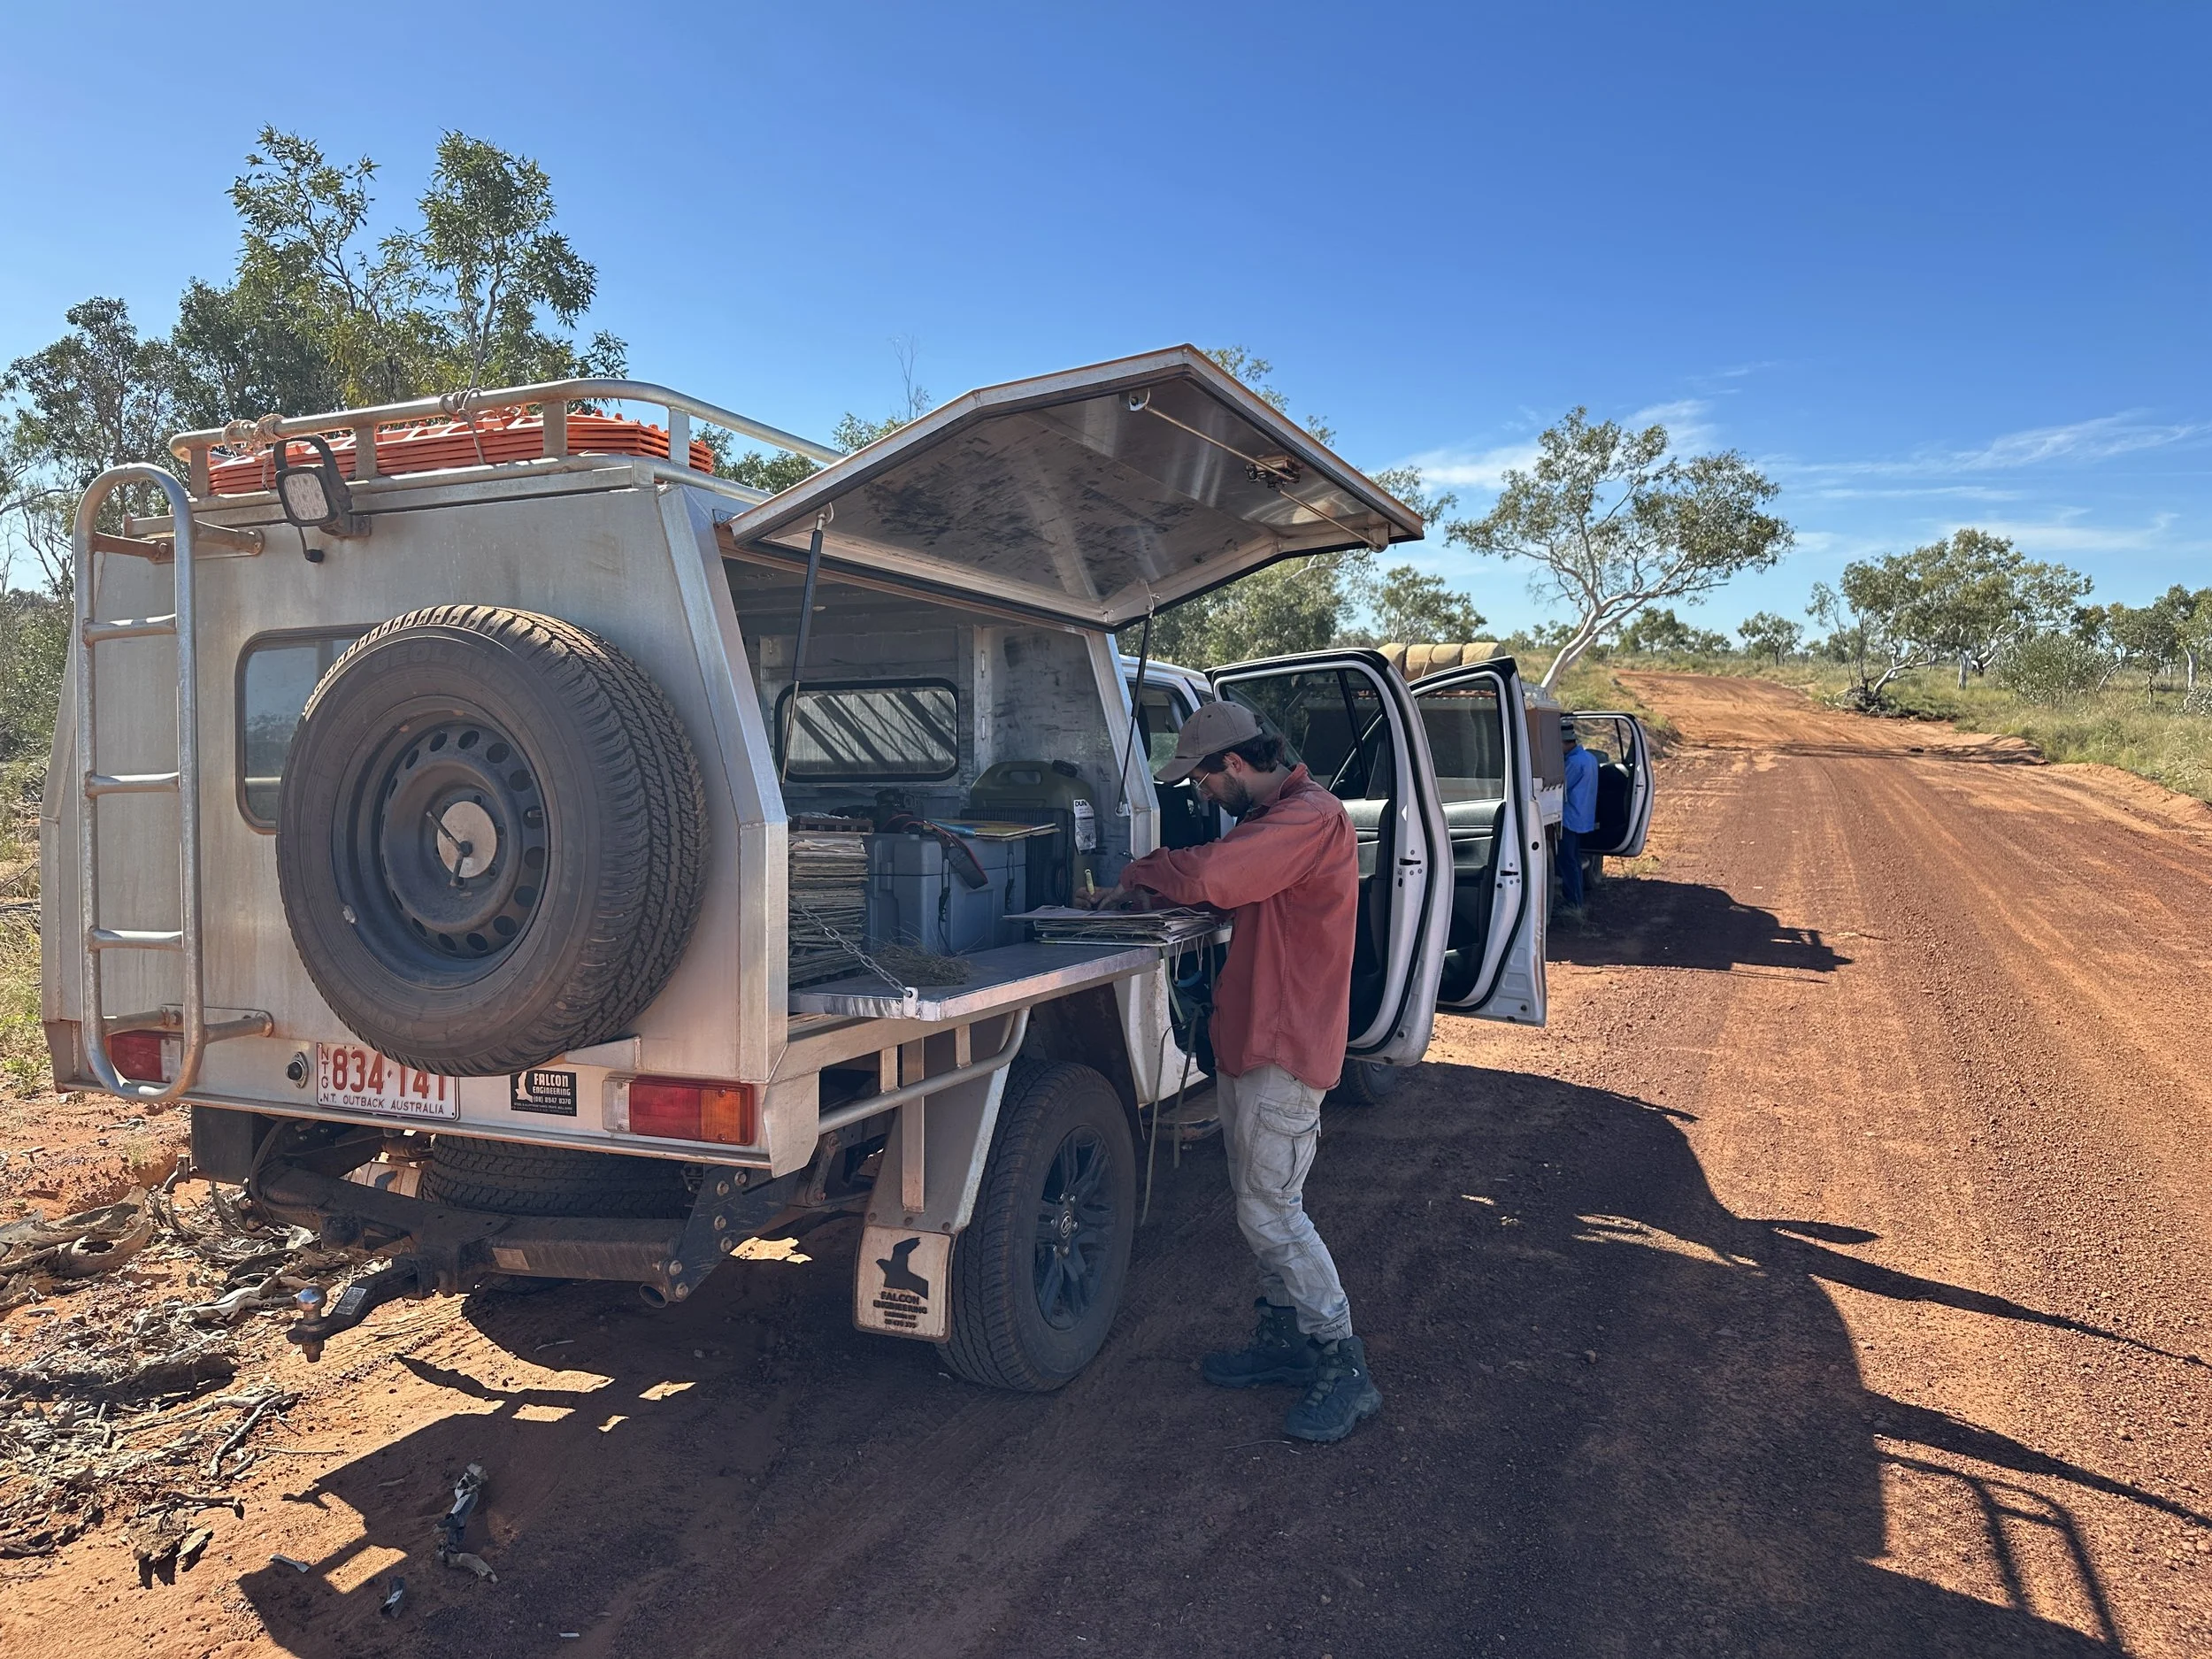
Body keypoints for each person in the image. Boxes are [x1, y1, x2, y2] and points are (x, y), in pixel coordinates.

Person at [1081, 698, 1382, 1443]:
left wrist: (1139, 872)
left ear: (1237, 763)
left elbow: (1217, 873)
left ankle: (1342, 1357)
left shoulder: (1308, 818)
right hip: (1256, 1038)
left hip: (1286, 1045)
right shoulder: (1277, 817)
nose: (1202, 793)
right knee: (1262, 1200)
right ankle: (1285, 1335)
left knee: (1271, 1210)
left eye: (1204, 779)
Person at [1559, 716, 1599, 920]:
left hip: (1569, 818)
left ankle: (1574, 903)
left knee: (1568, 861)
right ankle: (1576, 900)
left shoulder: (1574, 763)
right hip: (1581, 817)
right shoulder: (1589, 758)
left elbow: (1561, 787)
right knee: (1574, 860)